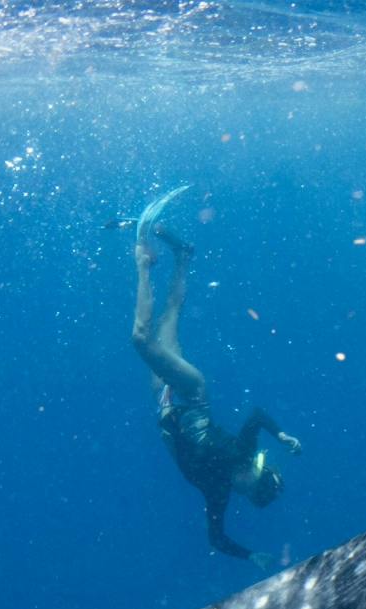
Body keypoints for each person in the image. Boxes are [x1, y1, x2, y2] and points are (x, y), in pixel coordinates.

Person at [129, 188, 301, 570]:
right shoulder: (241, 453)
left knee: (169, 318)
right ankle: (143, 261)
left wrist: (249, 555)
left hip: (165, 406)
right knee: (142, 340)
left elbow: (216, 538)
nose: (245, 482)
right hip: (191, 396)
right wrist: (283, 435)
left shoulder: (219, 491)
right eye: (253, 482)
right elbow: (255, 414)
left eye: (251, 491)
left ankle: (183, 257)